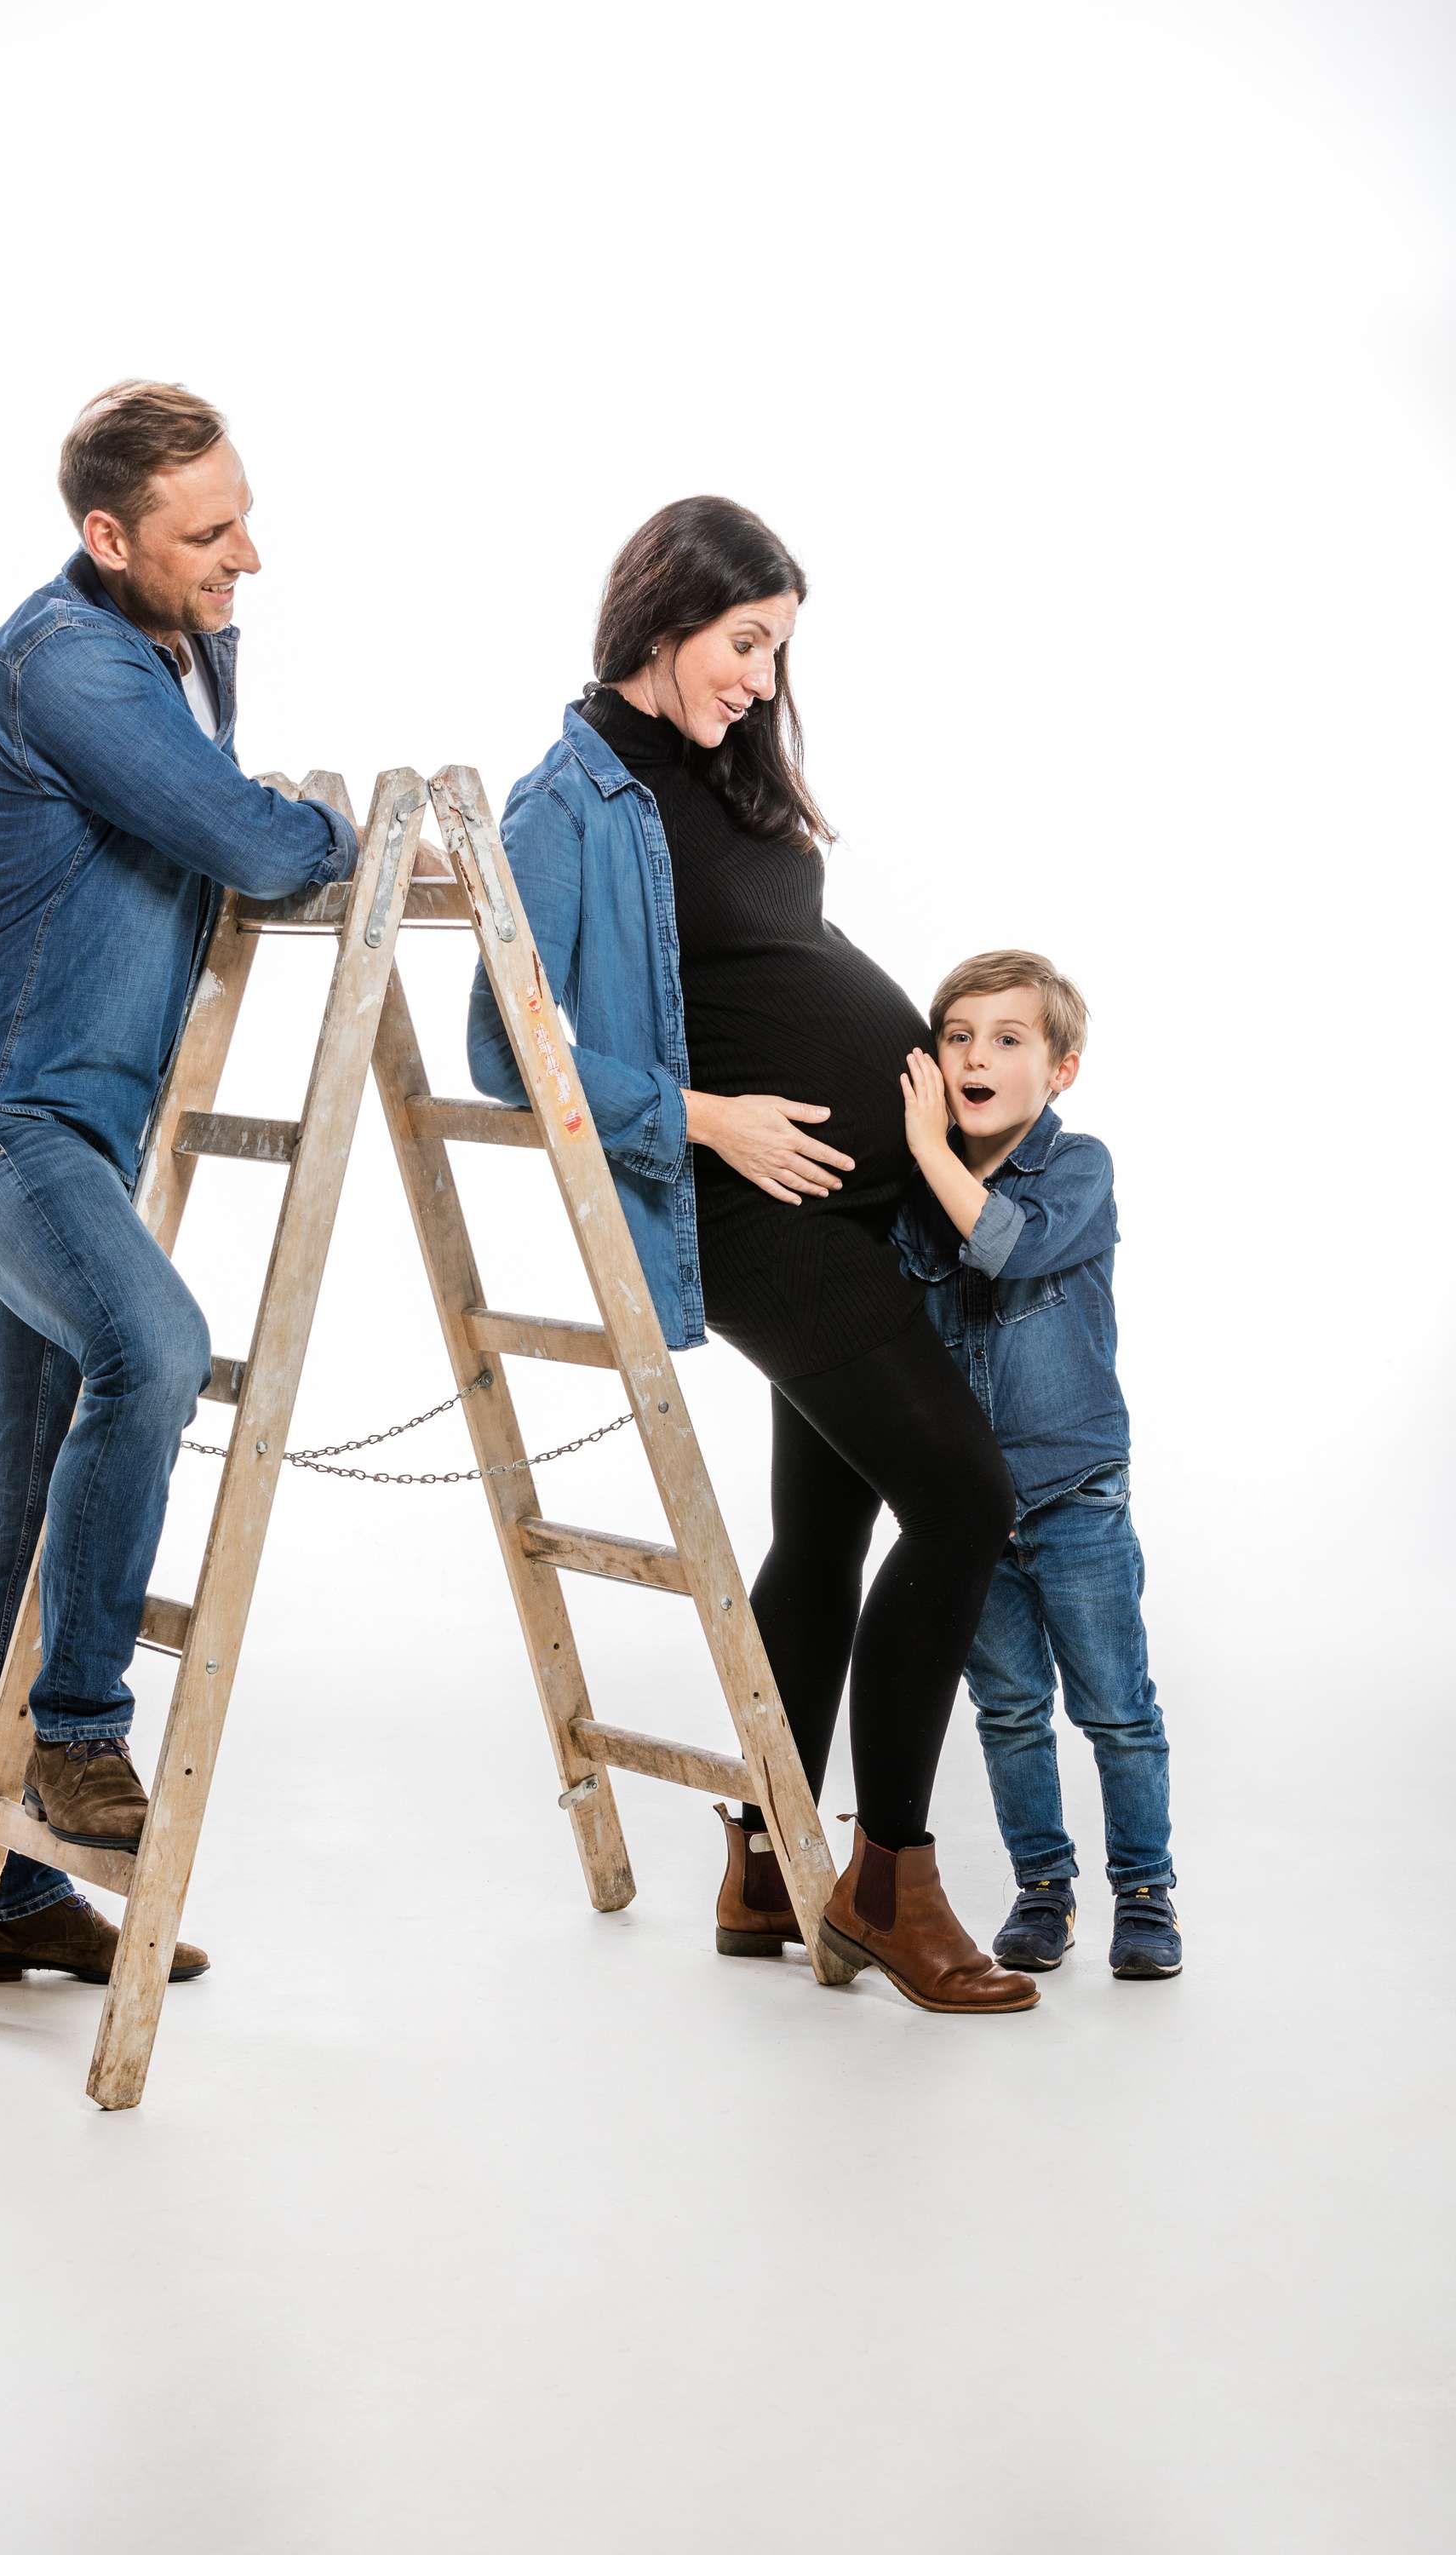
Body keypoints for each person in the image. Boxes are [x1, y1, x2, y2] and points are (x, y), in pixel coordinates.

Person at [467, 497, 1034, 2015]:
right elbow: (506, 1052)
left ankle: (760, 1862)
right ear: (663, 616)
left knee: (827, 1537)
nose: (761, 680)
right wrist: (708, 1118)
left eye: (778, 651)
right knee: (968, 1500)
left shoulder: (733, 773)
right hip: (750, 1216)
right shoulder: (567, 804)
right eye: (743, 643)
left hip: (864, 1204)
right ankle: (888, 1878)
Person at [0, 380, 363, 1989]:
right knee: (153, 1351)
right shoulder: (70, 662)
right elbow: (256, 847)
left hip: (77, 1129)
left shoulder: (175, 638)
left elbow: (219, 811)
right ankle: (83, 1737)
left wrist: (262, 809)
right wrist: (315, 822)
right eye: (208, 532)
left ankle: (7, 1903)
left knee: (31, 1503)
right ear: (108, 539)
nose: (248, 557)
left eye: (242, 512)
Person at [893, 951, 1180, 1979]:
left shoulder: (1078, 1166)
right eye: (957, 1037)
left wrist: (928, 1148)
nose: (976, 1055)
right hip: (966, 1506)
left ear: (1058, 1069)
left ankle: (1143, 1893)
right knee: (1008, 1708)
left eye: (1007, 1039)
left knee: (1112, 1705)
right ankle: (1041, 1889)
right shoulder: (912, 1182)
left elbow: (1005, 1248)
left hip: (1071, 1493)